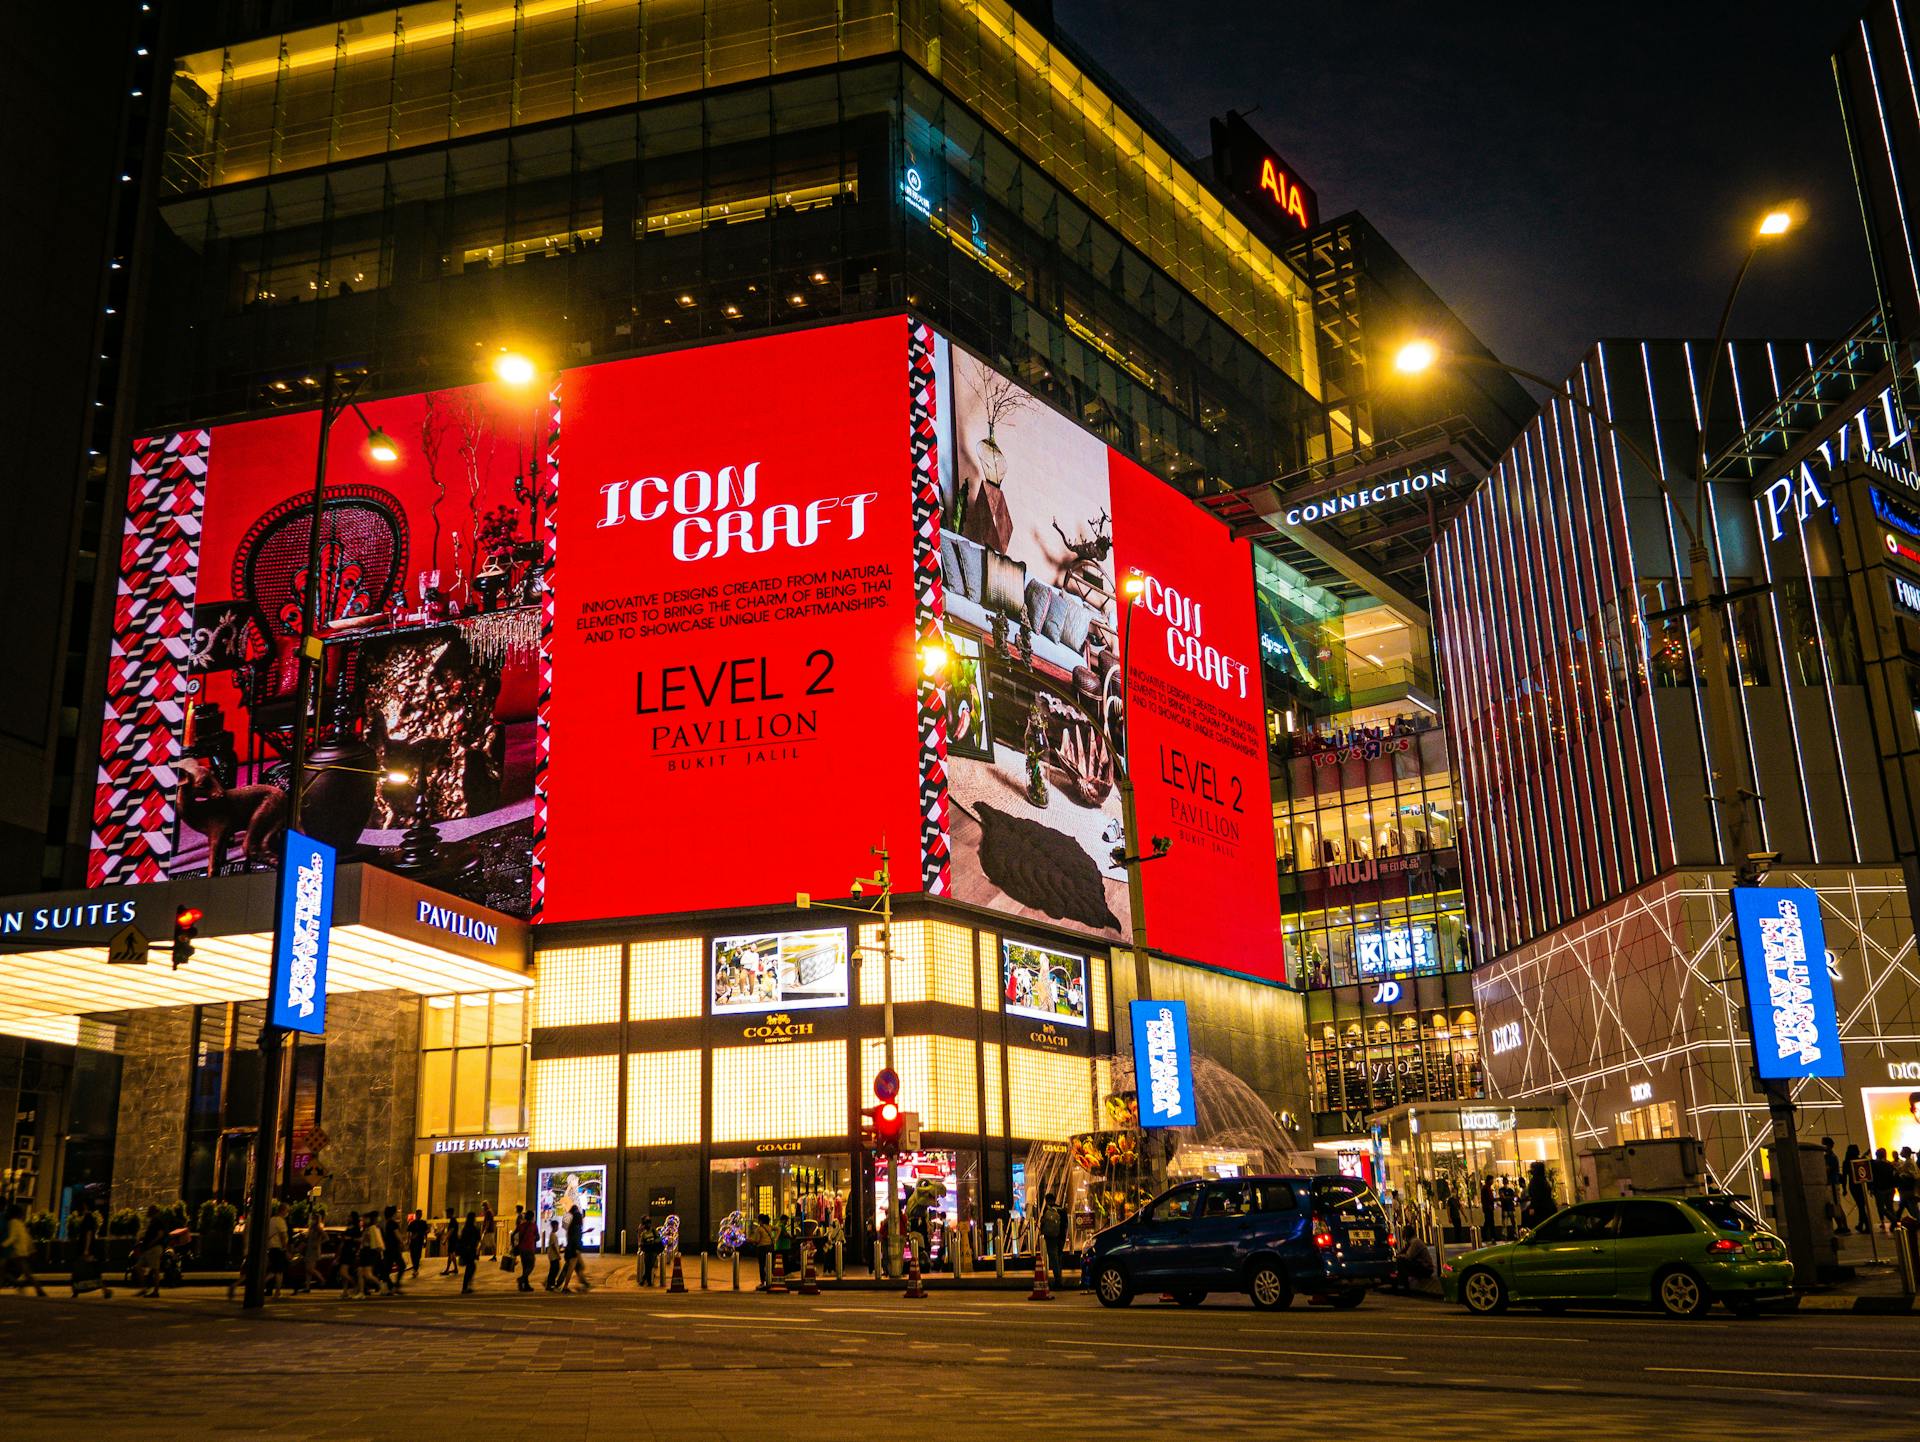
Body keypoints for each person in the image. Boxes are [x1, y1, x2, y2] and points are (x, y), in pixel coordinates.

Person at [69, 1202, 110, 1300]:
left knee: (85, 1270)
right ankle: (103, 1291)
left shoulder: (88, 1218)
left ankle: (77, 1291)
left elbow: (89, 1233)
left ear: (85, 1206)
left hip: (86, 1248)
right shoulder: (88, 1217)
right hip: (86, 1248)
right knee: (90, 1270)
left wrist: (86, 1249)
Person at [2, 1204, 45, 1297]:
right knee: (26, 1272)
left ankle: (21, 1284)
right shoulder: (20, 1223)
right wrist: (31, 1249)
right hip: (23, 1251)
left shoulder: (12, 1222)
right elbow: (27, 1237)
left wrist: (2, 1245)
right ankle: (37, 1289)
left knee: (5, 1270)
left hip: (16, 1252)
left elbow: (13, 1237)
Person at [557, 1204, 591, 1292]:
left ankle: (583, 1283)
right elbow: (576, 1238)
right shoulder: (577, 1227)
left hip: (570, 1249)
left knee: (575, 1267)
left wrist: (586, 1231)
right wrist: (577, 1250)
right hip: (574, 1250)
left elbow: (574, 1236)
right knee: (572, 1268)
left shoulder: (572, 1228)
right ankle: (565, 1287)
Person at [136, 1205, 167, 1297]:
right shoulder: (153, 1221)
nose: (147, 1212)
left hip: (154, 1248)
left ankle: (155, 1291)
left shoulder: (157, 1221)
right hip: (149, 1249)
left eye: (149, 1210)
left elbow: (160, 1234)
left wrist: (151, 1243)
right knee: (138, 1267)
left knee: (155, 1270)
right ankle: (144, 1288)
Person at [1842, 1143, 1872, 1234]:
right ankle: (1864, 1225)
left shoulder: (1846, 1162)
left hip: (1852, 1185)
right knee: (1861, 1205)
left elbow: (1844, 1176)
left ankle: (1864, 1225)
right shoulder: (1859, 1160)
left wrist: (1844, 1188)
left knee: (1860, 1206)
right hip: (1861, 1185)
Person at [265, 1202, 290, 1299]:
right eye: (287, 1211)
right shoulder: (280, 1221)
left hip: (271, 1248)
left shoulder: (271, 1220)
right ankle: (277, 1292)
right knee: (279, 1272)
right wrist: (285, 1249)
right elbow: (283, 1236)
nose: (288, 1213)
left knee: (274, 1270)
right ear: (283, 1211)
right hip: (278, 1248)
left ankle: (261, 1284)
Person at [1521, 1161, 1555, 1230]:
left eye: (1532, 1168)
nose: (1530, 1171)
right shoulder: (1544, 1180)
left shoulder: (1535, 1181)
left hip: (1540, 1209)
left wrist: (1532, 1207)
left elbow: (1535, 1196)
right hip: (1548, 1207)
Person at [337, 1212, 363, 1300]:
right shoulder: (349, 1227)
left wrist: (350, 1239)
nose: (348, 1218)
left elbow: (359, 1239)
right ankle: (345, 1291)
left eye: (349, 1216)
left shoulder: (356, 1228)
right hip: (345, 1250)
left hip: (350, 1251)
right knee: (343, 1274)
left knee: (343, 1272)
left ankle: (355, 1284)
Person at [1872, 1148, 1898, 1231]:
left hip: (1880, 1189)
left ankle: (1888, 1221)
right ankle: (1894, 1221)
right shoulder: (1889, 1164)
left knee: (1881, 1207)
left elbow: (1874, 1178)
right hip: (1890, 1188)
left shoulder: (1874, 1165)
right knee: (1890, 1206)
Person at [514, 1207, 539, 1292]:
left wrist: (514, 1245)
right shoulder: (533, 1226)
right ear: (532, 1217)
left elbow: (513, 1234)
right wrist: (532, 1238)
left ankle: (525, 1285)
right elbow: (538, 1237)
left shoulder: (521, 1225)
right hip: (529, 1248)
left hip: (522, 1249)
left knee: (525, 1267)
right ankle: (521, 1279)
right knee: (531, 1265)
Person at [381, 1206, 405, 1294]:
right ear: (393, 1214)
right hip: (393, 1249)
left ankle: (391, 1287)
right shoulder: (393, 1223)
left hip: (387, 1249)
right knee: (402, 1266)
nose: (397, 1214)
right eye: (396, 1213)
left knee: (387, 1269)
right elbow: (397, 1235)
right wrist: (402, 1243)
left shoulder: (386, 1223)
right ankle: (395, 1286)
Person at [299, 1212, 324, 1294]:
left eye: (313, 1219)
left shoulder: (318, 1228)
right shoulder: (311, 1228)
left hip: (314, 1250)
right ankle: (307, 1287)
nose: (312, 1220)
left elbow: (326, 1237)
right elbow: (307, 1239)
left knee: (310, 1268)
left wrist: (318, 1243)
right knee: (307, 1269)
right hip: (309, 1249)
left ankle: (321, 1279)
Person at [457, 1211, 481, 1294]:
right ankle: (465, 1287)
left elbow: (462, 1239)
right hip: (470, 1251)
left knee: (471, 1267)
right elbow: (478, 1238)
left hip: (466, 1250)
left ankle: (467, 1286)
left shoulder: (465, 1228)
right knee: (470, 1268)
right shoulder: (473, 1228)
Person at [543, 1215, 564, 1291]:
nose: (558, 1227)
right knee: (554, 1269)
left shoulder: (553, 1235)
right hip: (553, 1256)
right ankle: (550, 1283)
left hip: (553, 1255)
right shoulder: (553, 1235)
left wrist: (559, 1246)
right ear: (555, 1226)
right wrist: (558, 1255)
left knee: (555, 1269)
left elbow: (555, 1245)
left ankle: (550, 1283)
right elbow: (553, 1246)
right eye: (557, 1226)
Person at [638, 1214, 659, 1286]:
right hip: (647, 1251)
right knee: (647, 1266)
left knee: (650, 1266)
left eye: (648, 1223)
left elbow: (658, 1238)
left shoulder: (653, 1230)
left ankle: (644, 1280)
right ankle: (648, 1282)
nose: (647, 1225)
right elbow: (641, 1241)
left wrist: (653, 1242)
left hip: (653, 1251)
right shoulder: (643, 1232)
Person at [406, 1210, 429, 1277]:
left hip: (419, 1242)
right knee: (413, 1255)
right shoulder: (412, 1223)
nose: (420, 1215)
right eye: (419, 1214)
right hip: (413, 1241)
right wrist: (408, 1241)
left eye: (421, 1214)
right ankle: (415, 1269)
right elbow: (408, 1232)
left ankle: (415, 1269)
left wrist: (425, 1239)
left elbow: (427, 1230)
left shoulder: (423, 1223)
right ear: (416, 1214)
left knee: (418, 1256)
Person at [440, 1208, 460, 1276]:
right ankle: (455, 1269)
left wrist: (445, 1239)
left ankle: (447, 1270)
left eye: (447, 1213)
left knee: (450, 1254)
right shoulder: (453, 1220)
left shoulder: (453, 1220)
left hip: (452, 1240)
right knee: (452, 1254)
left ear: (450, 1213)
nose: (446, 1214)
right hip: (453, 1239)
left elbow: (451, 1231)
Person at [1478, 1174, 1496, 1240]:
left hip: (1488, 1207)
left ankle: (1490, 1236)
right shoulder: (1486, 1188)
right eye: (1492, 1180)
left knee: (1489, 1222)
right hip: (1488, 1208)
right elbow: (1488, 1199)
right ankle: (1487, 1236)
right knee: (1489, 1222)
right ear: (1489, 1180)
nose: (1492, 1181)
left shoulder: (1487, 1188)